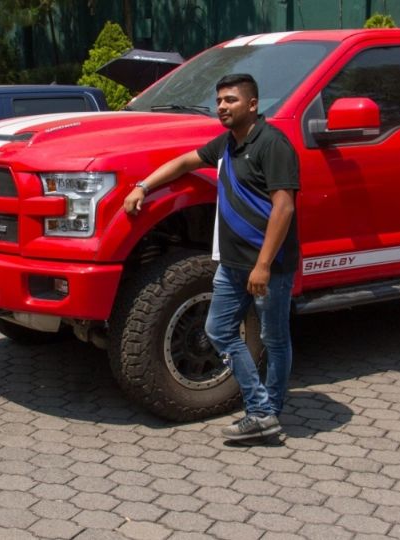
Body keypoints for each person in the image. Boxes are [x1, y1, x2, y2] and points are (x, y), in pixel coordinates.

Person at [123, 73, 300, 441]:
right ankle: (261, 407)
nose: (222, 106)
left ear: (253, 104)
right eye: (219, 100)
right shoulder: (227, 145)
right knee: (218, 331)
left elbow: (284, 208)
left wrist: (263, 266)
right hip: (231, 264)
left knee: (274, 338)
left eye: (231, 100)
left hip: (268, 265)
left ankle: (268, 411)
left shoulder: (273, 144)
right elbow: (184, 162)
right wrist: (143, 186)